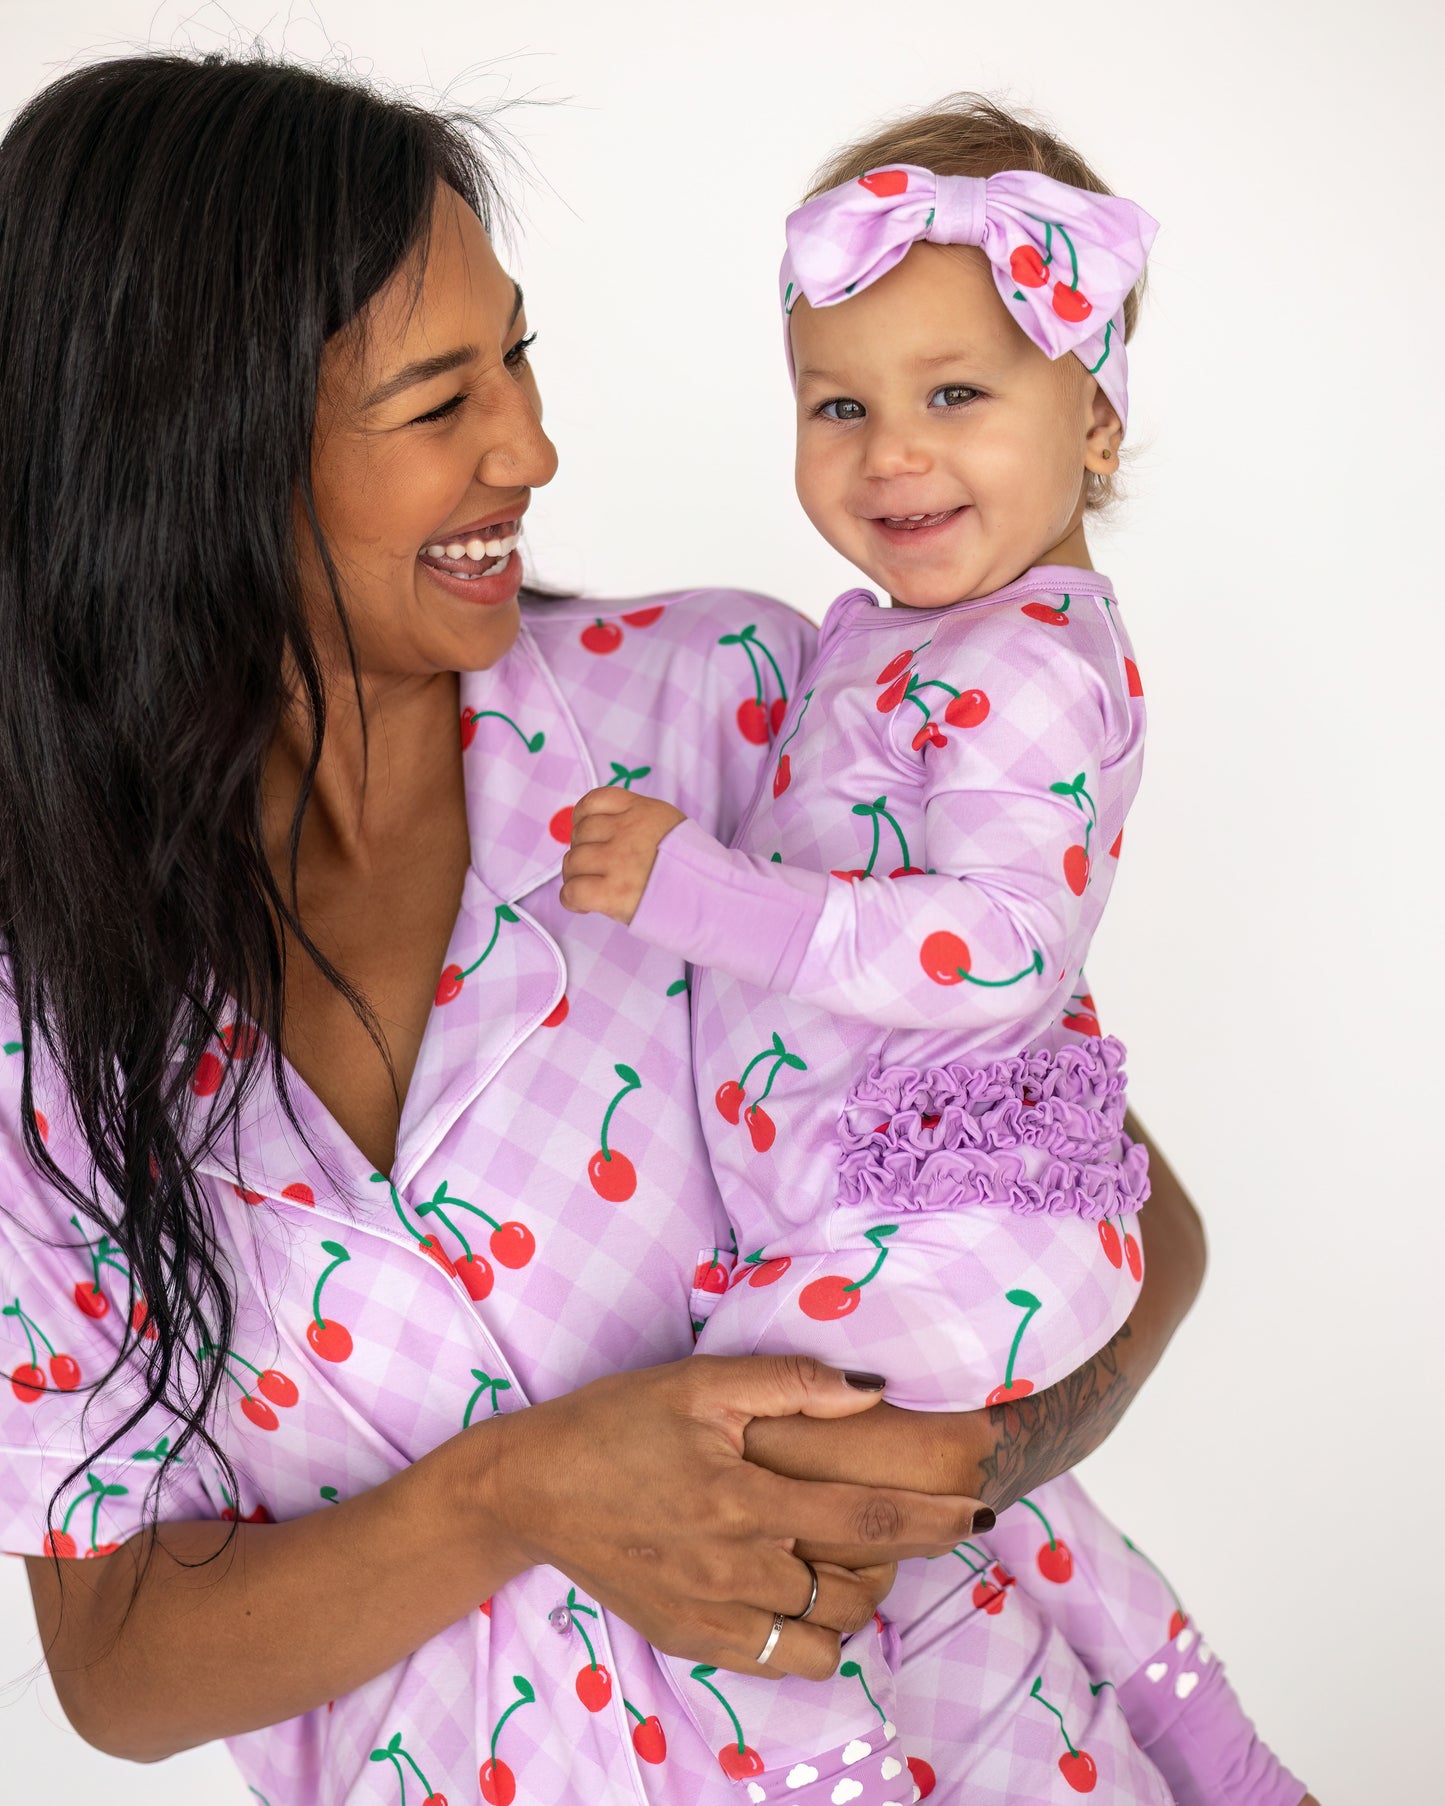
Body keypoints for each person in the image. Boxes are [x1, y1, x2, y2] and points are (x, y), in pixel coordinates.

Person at [0, 55, 1206, 1806]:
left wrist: (921, 1466)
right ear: (194, 454)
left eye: (519, 357)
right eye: (437, 402)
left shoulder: (732, 713)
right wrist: (522, 1490)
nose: (530, 448)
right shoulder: (44, 1011)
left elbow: (1127, 1224)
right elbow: (116, 1662)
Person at [565, 98, 1310, 1805]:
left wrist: (698, 892)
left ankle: (825, 1771)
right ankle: (1213, 1748)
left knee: (734, 1482)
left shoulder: (1035, 658)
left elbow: (990, 945)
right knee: (1006, 1520)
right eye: (840, 404)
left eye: (953, 395)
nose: (889, 452)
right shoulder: (902, 639)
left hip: (949, 1206)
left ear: (1096, 419)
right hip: (883, 1197)